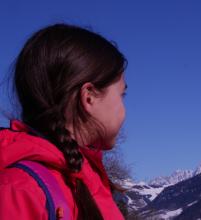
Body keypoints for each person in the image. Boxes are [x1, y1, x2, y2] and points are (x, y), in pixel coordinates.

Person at [0, 23, 128, 219]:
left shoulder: (86, 179)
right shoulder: (20, 192)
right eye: (122, 95)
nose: (123, 109)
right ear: (89, 97)